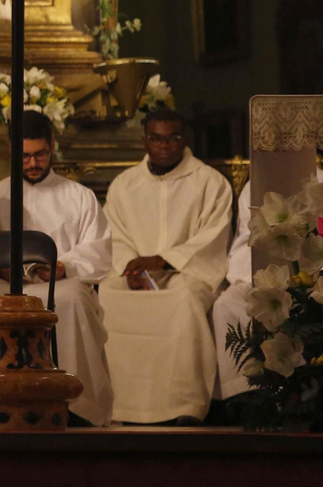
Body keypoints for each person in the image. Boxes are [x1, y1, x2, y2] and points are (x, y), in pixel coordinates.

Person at [0, 109, 114, 426]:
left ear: (52, 147)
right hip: (5, 284)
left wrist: (65, 266)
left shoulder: (80, 197)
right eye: (25, 156)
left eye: (41, 154)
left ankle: (77, 404)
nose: (33, 163)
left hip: (59, 282)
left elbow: (99, 250)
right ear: (11, 151)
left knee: (72, 299)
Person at [100, 109, 233, 424]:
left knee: (185, 300)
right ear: (144, 140)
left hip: (186, 273)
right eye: (156, 138)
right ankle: (118, 405)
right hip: (132, 275)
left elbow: (213, 238)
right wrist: (130, 269)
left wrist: (162, 261)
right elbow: (114, 234)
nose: (164, 145)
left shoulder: (209, 182)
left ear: (184, 139)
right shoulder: (125, 184)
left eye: (173, 138)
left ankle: (182, 406)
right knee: (106, 295)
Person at [211, 168, 323, 402]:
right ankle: (243, 393)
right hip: (256, 273)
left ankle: (305, 392)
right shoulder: (255, 187)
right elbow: (247, 237)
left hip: (311, 275)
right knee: (226, 304)